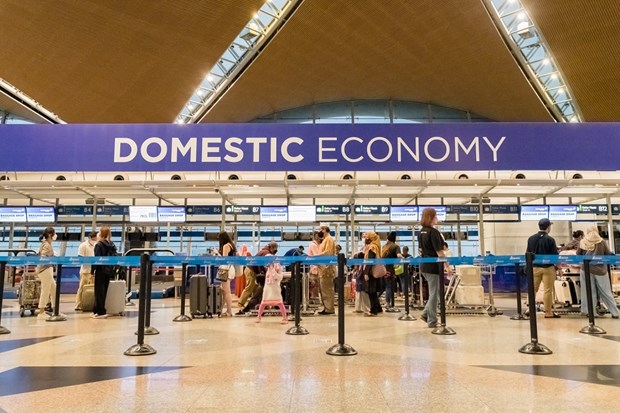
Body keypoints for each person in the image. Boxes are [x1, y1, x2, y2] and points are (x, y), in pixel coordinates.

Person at [576, 226, 619, 319]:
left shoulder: (582, 242)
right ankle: (615, 312)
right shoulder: (601, 241)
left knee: (588, 291)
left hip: (585, 270)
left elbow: (578, 254)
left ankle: (590, 312)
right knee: (606, 291)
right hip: (600, 270)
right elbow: (607, 253)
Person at [418, 208, 450, 327]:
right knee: (434, 294)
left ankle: (426, 314)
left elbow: (420, 250)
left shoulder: (421, 232)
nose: (437, 218)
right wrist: (447, 267)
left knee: (435, 293)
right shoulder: (433, 232)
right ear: (431, 217)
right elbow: (440, 252)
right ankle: (432, 320)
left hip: (424, 266)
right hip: (433, 267)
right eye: (436, 216)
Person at [526, 218, 560, 319]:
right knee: (548, 290)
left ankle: (530, 309)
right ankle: (548, 312)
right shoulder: (550, 239)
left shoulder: (531, 239)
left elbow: (528, 253)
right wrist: (558, 267)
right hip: (548, 268)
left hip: (535, 267)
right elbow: (554, 256)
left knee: (533, 289)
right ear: (548, 227)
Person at [237, 242, 279, 315]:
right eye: (275, 250)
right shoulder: (266, 253)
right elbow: (261, 264)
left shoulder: (264, 251)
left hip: (252, 270)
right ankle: (240, 304)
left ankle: (252, 306)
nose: (275, 252)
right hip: (251, 270)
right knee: (249, 288)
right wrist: (263, 273)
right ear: (272, 248)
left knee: (256, 289)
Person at [91, 225, 117, 319]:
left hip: (100, 270)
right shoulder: (111, 245)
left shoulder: (99, 245)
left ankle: (100, 311)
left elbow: (96, 259)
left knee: (98, 291)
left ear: (101, 233)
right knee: (104, 291)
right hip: (108, 270)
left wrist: (92, 271)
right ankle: (97, 310)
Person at [255, 259, 288, 324]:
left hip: (275, 288)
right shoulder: (268, 269)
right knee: (263, 303)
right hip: (267, 288)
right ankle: (258, 317)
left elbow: (279, 277)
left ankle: (284, 317)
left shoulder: (279, 269)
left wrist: (274, 272)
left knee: (280, 303)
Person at [36, 227, 58, 320]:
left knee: (53, 288)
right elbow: (43, 257)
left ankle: (55, 309)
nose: (56, 235)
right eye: (54, 233)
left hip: (46, 269)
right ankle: (41, 312)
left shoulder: (46, 244)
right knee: (46, 289)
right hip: (45, 269)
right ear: (50, 235)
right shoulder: (46, 245)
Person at [75, 231, 98, 311]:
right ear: (91, 238)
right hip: (85, 271)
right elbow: (80, 257)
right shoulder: (83, 245)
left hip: (94, 271)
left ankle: (91, 305)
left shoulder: (96, 245)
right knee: (81, 288)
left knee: (93, 289)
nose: (96, 240)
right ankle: (78, 304)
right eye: (95, 238)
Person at [362, 231, 384, 316]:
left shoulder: (372, 247)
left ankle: (373, 310)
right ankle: (378, 308)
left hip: (371, 272)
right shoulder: (377, 246)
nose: (366, 237)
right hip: (374, 271)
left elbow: (370, 260)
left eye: (367, 236)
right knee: (373, 291)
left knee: (371, 291)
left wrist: (366, 273)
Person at [317, 224, 336, 315]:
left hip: (327, 269)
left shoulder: (329, 239)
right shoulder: (325, 240)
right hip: (323, 268)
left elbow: (328, 252)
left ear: (325, 230)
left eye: (321, 229)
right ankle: (326, 307)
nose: (320, 231)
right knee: (323, 289)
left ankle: (329, 308)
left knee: (327, 289)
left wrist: (316, 256)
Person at [218, 231, 237, 317]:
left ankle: (229, 311)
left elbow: (224, 259)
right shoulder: (231, 245)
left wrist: (217, 253)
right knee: (224, 291)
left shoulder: (226, 246)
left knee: (227, 291)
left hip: (226, 269)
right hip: (230, 268)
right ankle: (221, 309)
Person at [382, 231, 401, 309]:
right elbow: (399, 256)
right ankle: (388, 303)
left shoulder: (384, 247)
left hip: (382, 268)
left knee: (384, 286)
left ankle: (379, 301)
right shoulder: (396, 247)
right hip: (390, 268)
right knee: (389, 286)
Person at [307, 231, 323, 299]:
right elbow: (316, 256)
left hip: (316, 268)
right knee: (315, 285)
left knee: (316, 285)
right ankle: (314, 299)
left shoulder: (318, 245)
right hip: (314, 268)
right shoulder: (313, 245)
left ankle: (315, 299)